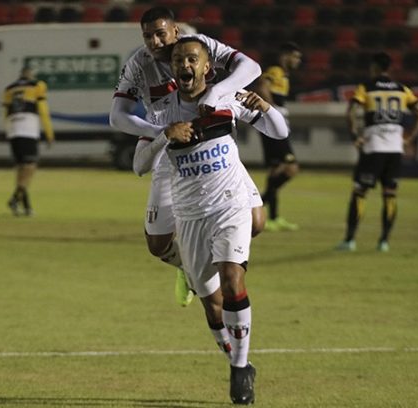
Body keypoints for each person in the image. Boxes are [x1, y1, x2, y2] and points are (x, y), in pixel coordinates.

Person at [133, 37, 289, 405]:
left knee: (233, 277)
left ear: (207, 67)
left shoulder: (227, 99)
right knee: (212, 303)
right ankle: (237, 358)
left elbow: (280, 132)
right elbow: (139, 165)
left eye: (192, 58)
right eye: (178, 59)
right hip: (189, 215)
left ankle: (239, 367)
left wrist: (266, 106)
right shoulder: (160, 112)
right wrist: (163, 138)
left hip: (229, 204)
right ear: (172, 69)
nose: (184, 64)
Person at [110, 6, 264, 307]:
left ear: (175, 32)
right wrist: (161, 130)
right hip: (173, 156)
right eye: (148, 36)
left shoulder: (201, 45)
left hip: (217, 153)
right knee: (157, 245)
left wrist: (214, 94)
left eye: (160, 34)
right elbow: (117, 117)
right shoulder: (140, 64)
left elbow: (251, 68)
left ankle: (214, 264)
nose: (154, 42)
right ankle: (187, 266)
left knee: (256, 223)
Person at [336, 52, 418, 252]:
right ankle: (384, 241)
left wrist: (355, 135)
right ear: (390, 68)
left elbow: (351, 111)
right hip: (395, 149)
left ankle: (350, 240)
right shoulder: (402, 89)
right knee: (390, 194)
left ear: (374, 67)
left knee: (360, 192)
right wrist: (409, 137)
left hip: (374, 147)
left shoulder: (366, 88)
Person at [257, 42, 302, 232]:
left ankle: (273, 217)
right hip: (273, 127)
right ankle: (257, 204)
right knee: (291, 168)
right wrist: (272, 109)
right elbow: (261, 86)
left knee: (275, 171)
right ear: (285, 56)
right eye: (295, 56)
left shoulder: (284, 76)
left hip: (275, 126)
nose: (297, 61)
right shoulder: (275, 71)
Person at [3, 67, 55, 216]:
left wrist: (7, 131)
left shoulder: (9, 89)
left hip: (13, 130)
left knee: (21, 170)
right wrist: (49, 133)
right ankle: (15, 198)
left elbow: (5, 113)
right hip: (28, 129)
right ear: (31, 74)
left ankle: (26, 206)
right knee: (30, 168)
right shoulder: (37, 85)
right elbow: (43, 110)